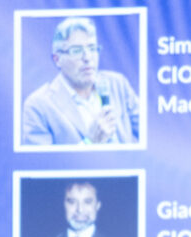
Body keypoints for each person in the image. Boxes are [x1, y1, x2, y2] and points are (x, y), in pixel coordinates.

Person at [22, 16, 139, 146]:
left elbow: (150, 135)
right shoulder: (38, 106)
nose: (87, 57)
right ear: (57, 59)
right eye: (77, 51)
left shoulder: (118, 84)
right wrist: (91, 143)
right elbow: (40, 159)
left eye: (92, 48)